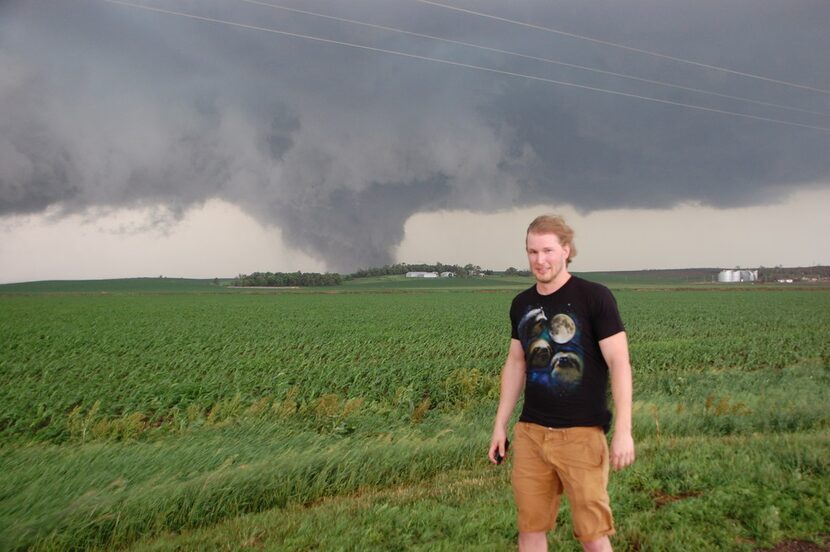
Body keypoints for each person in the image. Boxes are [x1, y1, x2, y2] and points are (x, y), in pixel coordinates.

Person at [488, 214, 635, 552]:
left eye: (548, 251)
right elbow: (515, 363)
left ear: (566, 251)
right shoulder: (521, 304)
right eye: (532, 252)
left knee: (593, 533)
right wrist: (500, 425)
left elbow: (619, 363)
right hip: (531, 435)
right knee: (530, 529)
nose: (540, 260)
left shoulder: (594, 297)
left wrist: (624, 430)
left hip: (582, 436)